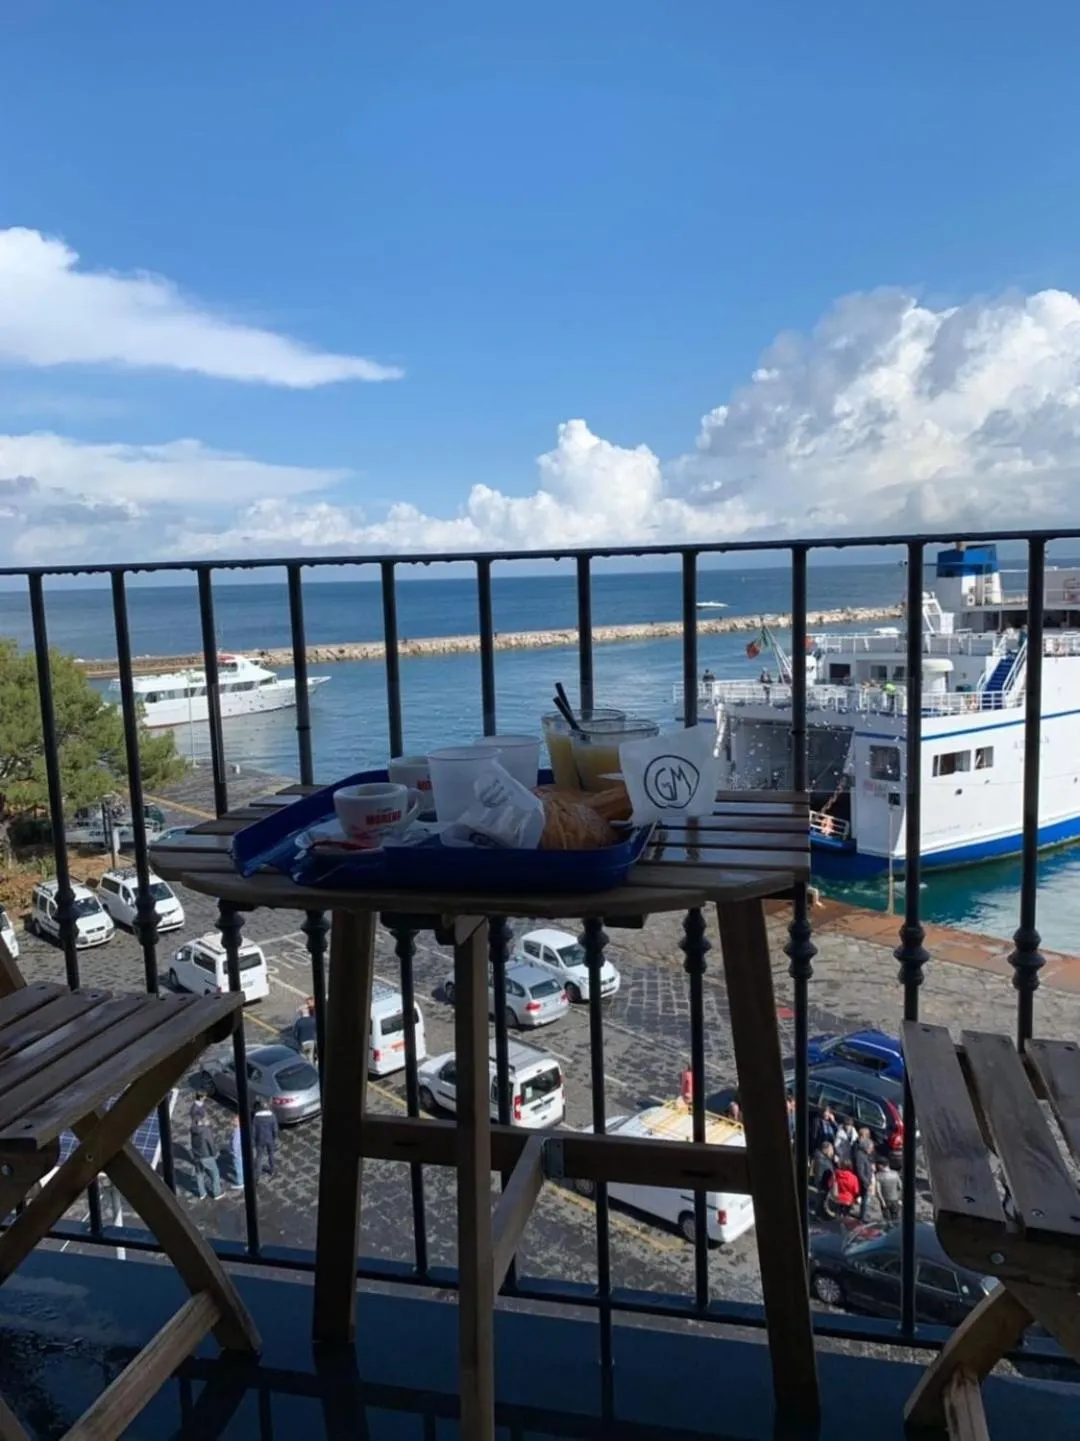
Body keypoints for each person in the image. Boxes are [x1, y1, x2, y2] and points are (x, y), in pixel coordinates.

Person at [189, 1093, 221, 1200]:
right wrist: (215, 1153)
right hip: (206, 1155)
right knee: (215, 1173)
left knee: (199, 1174)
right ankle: (216, 1193)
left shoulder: (193, 1130)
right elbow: (210, 1143)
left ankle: (202, 1193)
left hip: (196, 1155)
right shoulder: (205, 1131)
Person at [252, 1098, 279, 1178]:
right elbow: (275, 1129)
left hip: (259, 1140)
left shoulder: (256, 1118)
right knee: (271, 1154)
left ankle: (258, 1172)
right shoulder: (272, 1116)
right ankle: (272, 1170)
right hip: (270, 1138)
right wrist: (275, 1138)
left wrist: (253, 1140)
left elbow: (254, 1131)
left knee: (259, 1156)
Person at [809, 1141, 835, 1218]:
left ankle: (821, 1213)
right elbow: (819, 1173)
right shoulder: (820, 1159)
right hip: (822, 1182)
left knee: (823, 1199)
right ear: (826, 1149)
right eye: (831, 1150)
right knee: (821, 1199)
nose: (832, 1152)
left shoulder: (824, 1157)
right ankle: (818, 1214)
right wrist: (822, 1183)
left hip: (825, 1181)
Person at [853, 1137, 876, 1222]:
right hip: (863, 1183)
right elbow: (860, 1172)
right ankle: (862, 1217)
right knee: (864, 1200)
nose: (871, 1150)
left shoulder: (864, 1154)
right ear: (866, 1147)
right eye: (870, 1148)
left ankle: (863, 1215)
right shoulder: (860, 1156)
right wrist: (867, 1183)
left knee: (865, 1200)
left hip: (865, 1181)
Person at [229, 1114, 246, 1190]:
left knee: (238, 1169)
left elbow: (234, 1146)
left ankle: (240, 1183)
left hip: (238, 1154)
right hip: (242, 1152)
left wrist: (234, 1154)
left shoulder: (236, 1133)